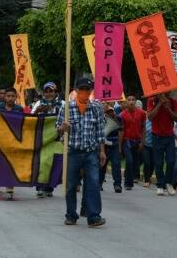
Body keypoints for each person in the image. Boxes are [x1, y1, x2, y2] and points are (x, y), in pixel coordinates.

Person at [56, 77, 106, 228]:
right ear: (76, 90)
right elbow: (57, 130)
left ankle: (94, 216)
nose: (84, 92)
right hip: (73, 152)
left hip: (90, 152)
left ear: (91, 91)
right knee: (71, 185)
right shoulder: (66, 109)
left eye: (87, 89)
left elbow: (99, 132)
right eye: (82, 89)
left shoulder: (96, 108)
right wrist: (62, 128)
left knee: (93, 184)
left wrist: (102, 151)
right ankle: (71, 215)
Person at [0, 87, 24, 200]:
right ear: (5, 97)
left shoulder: (19, 109)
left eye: (12, 96)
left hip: (13, 142)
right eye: (8, 96)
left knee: (11, 165)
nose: (10, 98)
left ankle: (10, 189)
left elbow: (24, 123)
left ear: (16, 97)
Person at [147, 92, 177, 196]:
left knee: (171, 161)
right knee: (158, 162)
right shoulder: (151, 100)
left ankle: (168, 183)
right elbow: (150, 117)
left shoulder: (173, 102)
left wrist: (168, 108)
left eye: (168, 92)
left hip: (169, 136)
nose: (166, 93)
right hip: (156, 136)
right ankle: (160, 185)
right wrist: (159, 104)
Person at [32, 82, 62, 197]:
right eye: (46, 91)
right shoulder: (39, 103)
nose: (49, 94)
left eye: (51, 91)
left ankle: (50, 188)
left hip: (57, 139)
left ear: (56, 92)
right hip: (42, 139)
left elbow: (66, 118)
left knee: (55, 164)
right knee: (43, 163)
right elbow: (31, 118)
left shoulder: (63, 104)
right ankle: (40, 187)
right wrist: (37, 111)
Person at [119, 95, 146, 191]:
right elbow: (121, 131)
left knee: (135, 162)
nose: (131, 102)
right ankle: (128, 183)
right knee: (129, 161)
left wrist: (142, 141)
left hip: (137, 140)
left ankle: (131, 178)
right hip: (127, 140)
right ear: (126, 102)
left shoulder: (142, 113)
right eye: (129, 100)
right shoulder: (122, 115)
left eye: (133, 100)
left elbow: (143, 128)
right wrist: (120, 146)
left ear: (135, 101)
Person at [100, 103, 123, 193]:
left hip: (115, 145)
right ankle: (99, 183)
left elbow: (120, 132)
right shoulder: (102, 119)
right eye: (108, 112)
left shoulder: (118, 119)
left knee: (116, 165)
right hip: (105, 145)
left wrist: (120, 147)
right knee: (102, 165)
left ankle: (117, 185)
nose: (111, 113)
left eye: (112, 111)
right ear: (105, 113)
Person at [142, 119, 155, 188]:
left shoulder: (157, 122)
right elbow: (141, 131)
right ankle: (146, 180)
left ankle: (148, 177)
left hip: (155, 147)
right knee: (147, 162)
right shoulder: (145, 122)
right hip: (145, 145)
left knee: (153, 163)